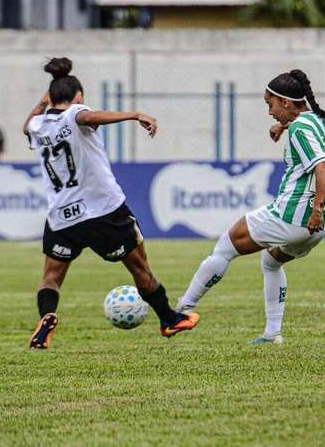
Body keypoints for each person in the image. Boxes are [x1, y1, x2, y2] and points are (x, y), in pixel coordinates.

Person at [25, 57, 199, 349]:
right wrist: (134, 115)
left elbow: (27, 123)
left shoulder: (37, 125)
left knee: (51, 278)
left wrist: (44, 102)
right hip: (103, 211)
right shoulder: (76, 113)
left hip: (62, 216)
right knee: (140, 268)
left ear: (50, 99)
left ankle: (48, 316)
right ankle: (169, 319)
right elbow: (87, 117)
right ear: (79, 97)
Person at [176, 69, 325, 345]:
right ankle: (272, 334)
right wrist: (284, 126)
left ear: (286, 102)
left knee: (225, 246)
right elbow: (308, 133)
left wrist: (316, 208)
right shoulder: (320, 122)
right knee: (271, 262)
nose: (269, 112)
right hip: (317, 227)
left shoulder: (300, 128)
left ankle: (182, 309)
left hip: (292, 215)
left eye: (271, 104)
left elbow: (323, 166)